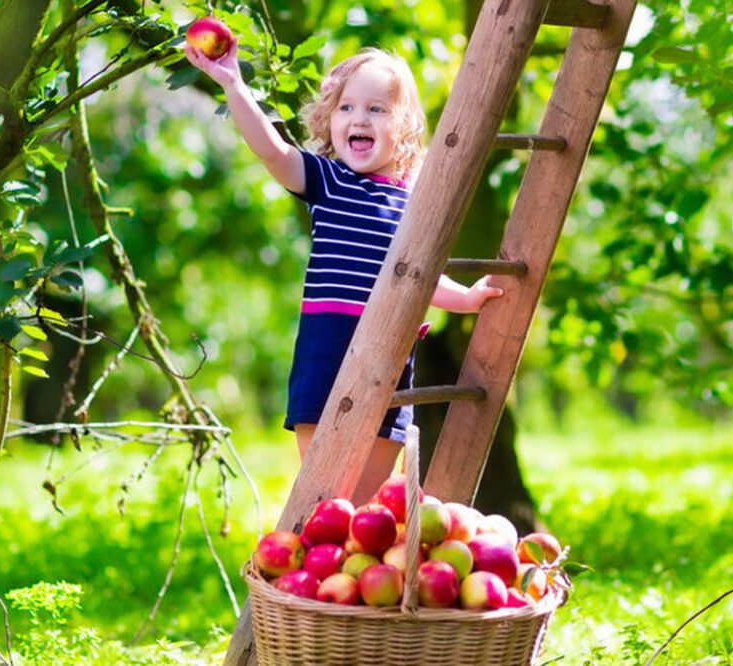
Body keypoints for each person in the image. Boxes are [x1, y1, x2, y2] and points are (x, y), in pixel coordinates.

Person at [186, 42, 503, 503]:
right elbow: (272, 152)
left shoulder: (413, 205)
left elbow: (420, 277)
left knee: (369, 494)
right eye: (346, 107)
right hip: (329, 342)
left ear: (404, 129)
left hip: (392, 348)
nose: (359, 119)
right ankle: (318, 542)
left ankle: (355, 554)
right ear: (329, 123)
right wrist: (235, 84)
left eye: (377, 109)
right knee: (325, 488)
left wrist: (468, 299)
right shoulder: (330, 181)